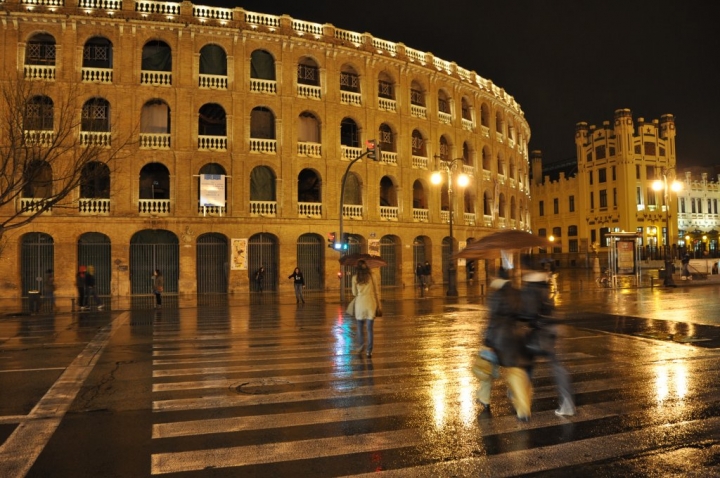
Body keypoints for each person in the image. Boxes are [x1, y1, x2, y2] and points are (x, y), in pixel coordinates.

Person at [474, 269, 534, 421]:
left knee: (485, 369)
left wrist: (487, 341)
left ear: (497, 277)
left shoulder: (496, 294)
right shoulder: (517, 292)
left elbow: (492, 319)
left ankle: (484, 398)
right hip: (515, 337)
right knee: (515, 373)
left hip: (498, 338)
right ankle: (523, 409)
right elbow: (524, 314)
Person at [519, 257, 575, 417]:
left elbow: (528, 313)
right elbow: (548, 305)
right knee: (557, 366)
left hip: (538, 332)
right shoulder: (543, 283)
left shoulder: (529, 288)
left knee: (526, 363)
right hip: (552, 329)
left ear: (525, 268)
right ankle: (567, 403)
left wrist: (518, 316)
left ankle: (519, 395)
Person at [351, 260, 380, 358]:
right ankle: (369, 351)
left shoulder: (355, 278)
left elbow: (354, 293)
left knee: (359, 327)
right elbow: (377, 292)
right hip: (371, 303)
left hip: (360, 304)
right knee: (369, 329)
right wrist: (379, 304)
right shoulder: (372, 276)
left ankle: (360, 346)